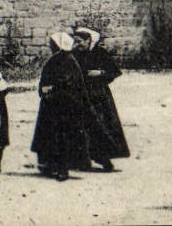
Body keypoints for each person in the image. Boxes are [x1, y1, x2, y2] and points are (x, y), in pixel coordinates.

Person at [31, 31, 89, 182]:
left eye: (52, 43)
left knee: (61, 137)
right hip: (53, 105)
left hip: (64, 107)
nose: (50, 46)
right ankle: (50, 165)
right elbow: (46, 79)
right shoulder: (57, 60)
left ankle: (62, 169)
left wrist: (51, 90)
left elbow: (69, 84)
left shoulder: (67, 61)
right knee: (51, 136)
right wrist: (44, 89)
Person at [73, 27, 129, 170]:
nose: (77, 44)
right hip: (81, 95)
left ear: (88, 40)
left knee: (101, 127)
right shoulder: (74, 55)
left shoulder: (100, 53)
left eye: (80, 41)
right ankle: (82, 160)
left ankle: (105, 160)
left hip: (99, 97)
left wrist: (100, 73)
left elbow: (115, 72)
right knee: (80, 128)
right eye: (75, 41)